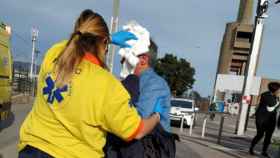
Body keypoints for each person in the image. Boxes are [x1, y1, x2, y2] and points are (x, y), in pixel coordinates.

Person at [18, 9, 164, 158]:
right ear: (104, 43)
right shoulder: (107, 85)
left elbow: (75, 41)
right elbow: (137, 131)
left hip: (31, 149)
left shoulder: (55, 54)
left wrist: (108, 38)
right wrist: (157, 115)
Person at [250, 82, 280, 157]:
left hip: (271, 119)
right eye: (278, 89)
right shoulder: (266, 95)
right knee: (260, 134)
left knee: (268, 136)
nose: (279, 91)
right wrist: (277, 100)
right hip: (262, 119)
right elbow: (272, 105)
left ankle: (264, 151)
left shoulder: (275, 96)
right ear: (275, 89)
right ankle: (251, 148)